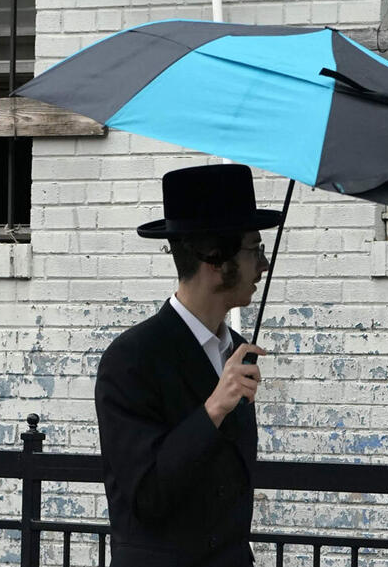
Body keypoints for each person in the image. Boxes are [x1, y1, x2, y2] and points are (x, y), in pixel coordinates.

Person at [94, 163, 280, 566]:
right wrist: (213, 409)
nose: (264, 265)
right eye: (254, 249)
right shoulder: (131, 359)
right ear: (215, 258)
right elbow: (146, 496)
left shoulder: (237, 352)